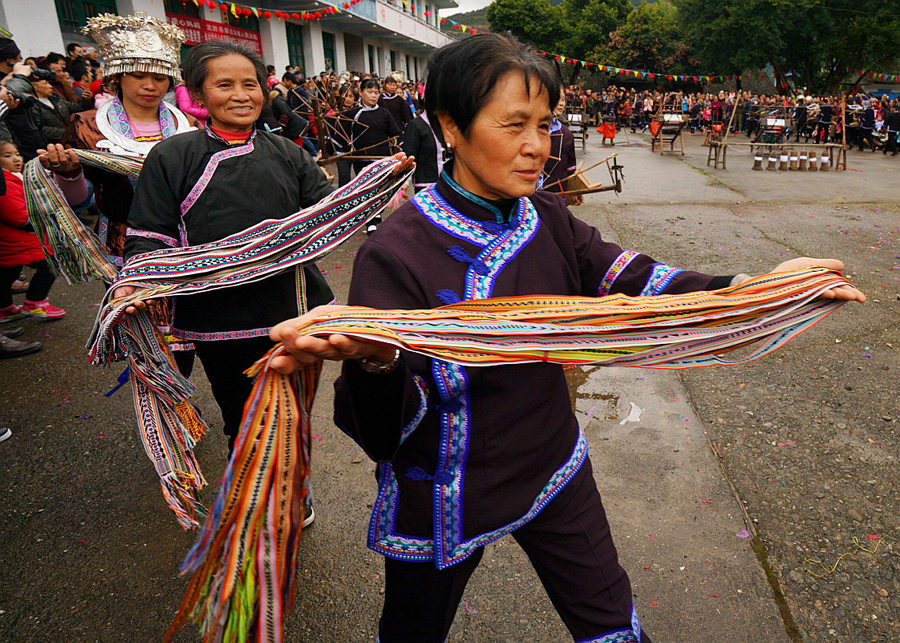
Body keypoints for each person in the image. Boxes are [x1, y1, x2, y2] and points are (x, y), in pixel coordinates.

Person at [268, 33, 865, 643]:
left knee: (609, 623)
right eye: (513, 125)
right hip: (446, 485)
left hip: (550, 461)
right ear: (450, 126)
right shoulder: (397, 252)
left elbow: (642, 279)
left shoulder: (546, 218)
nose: (536, 147)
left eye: (545, 124)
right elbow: (380, 434)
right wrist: (377, 359)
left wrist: (756, 287)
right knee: (412, 632)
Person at [116, 40, 411, 463]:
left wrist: (379, 184)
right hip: (217, 314)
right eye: (225, 85)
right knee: (240, 409)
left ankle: (292, 485)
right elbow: (150, 234)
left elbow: (328, 210)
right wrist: (137, 282)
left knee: (293, 407)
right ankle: (258, 491)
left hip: (292, 306)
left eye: (250, 84)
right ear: (198, 95)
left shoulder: (287, 154)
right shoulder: (173, 156)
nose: (241, 95)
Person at [0, 141, 88, 323]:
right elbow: (16, 216)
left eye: (17, 153)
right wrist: (44, 218)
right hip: (19, 241)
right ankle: (35, 301)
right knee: (50, 264)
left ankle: (5, 307)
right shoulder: (5, 183)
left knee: (8, 274)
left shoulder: (20, 176)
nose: (16, 158)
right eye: (7, 156)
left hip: (21, 241)